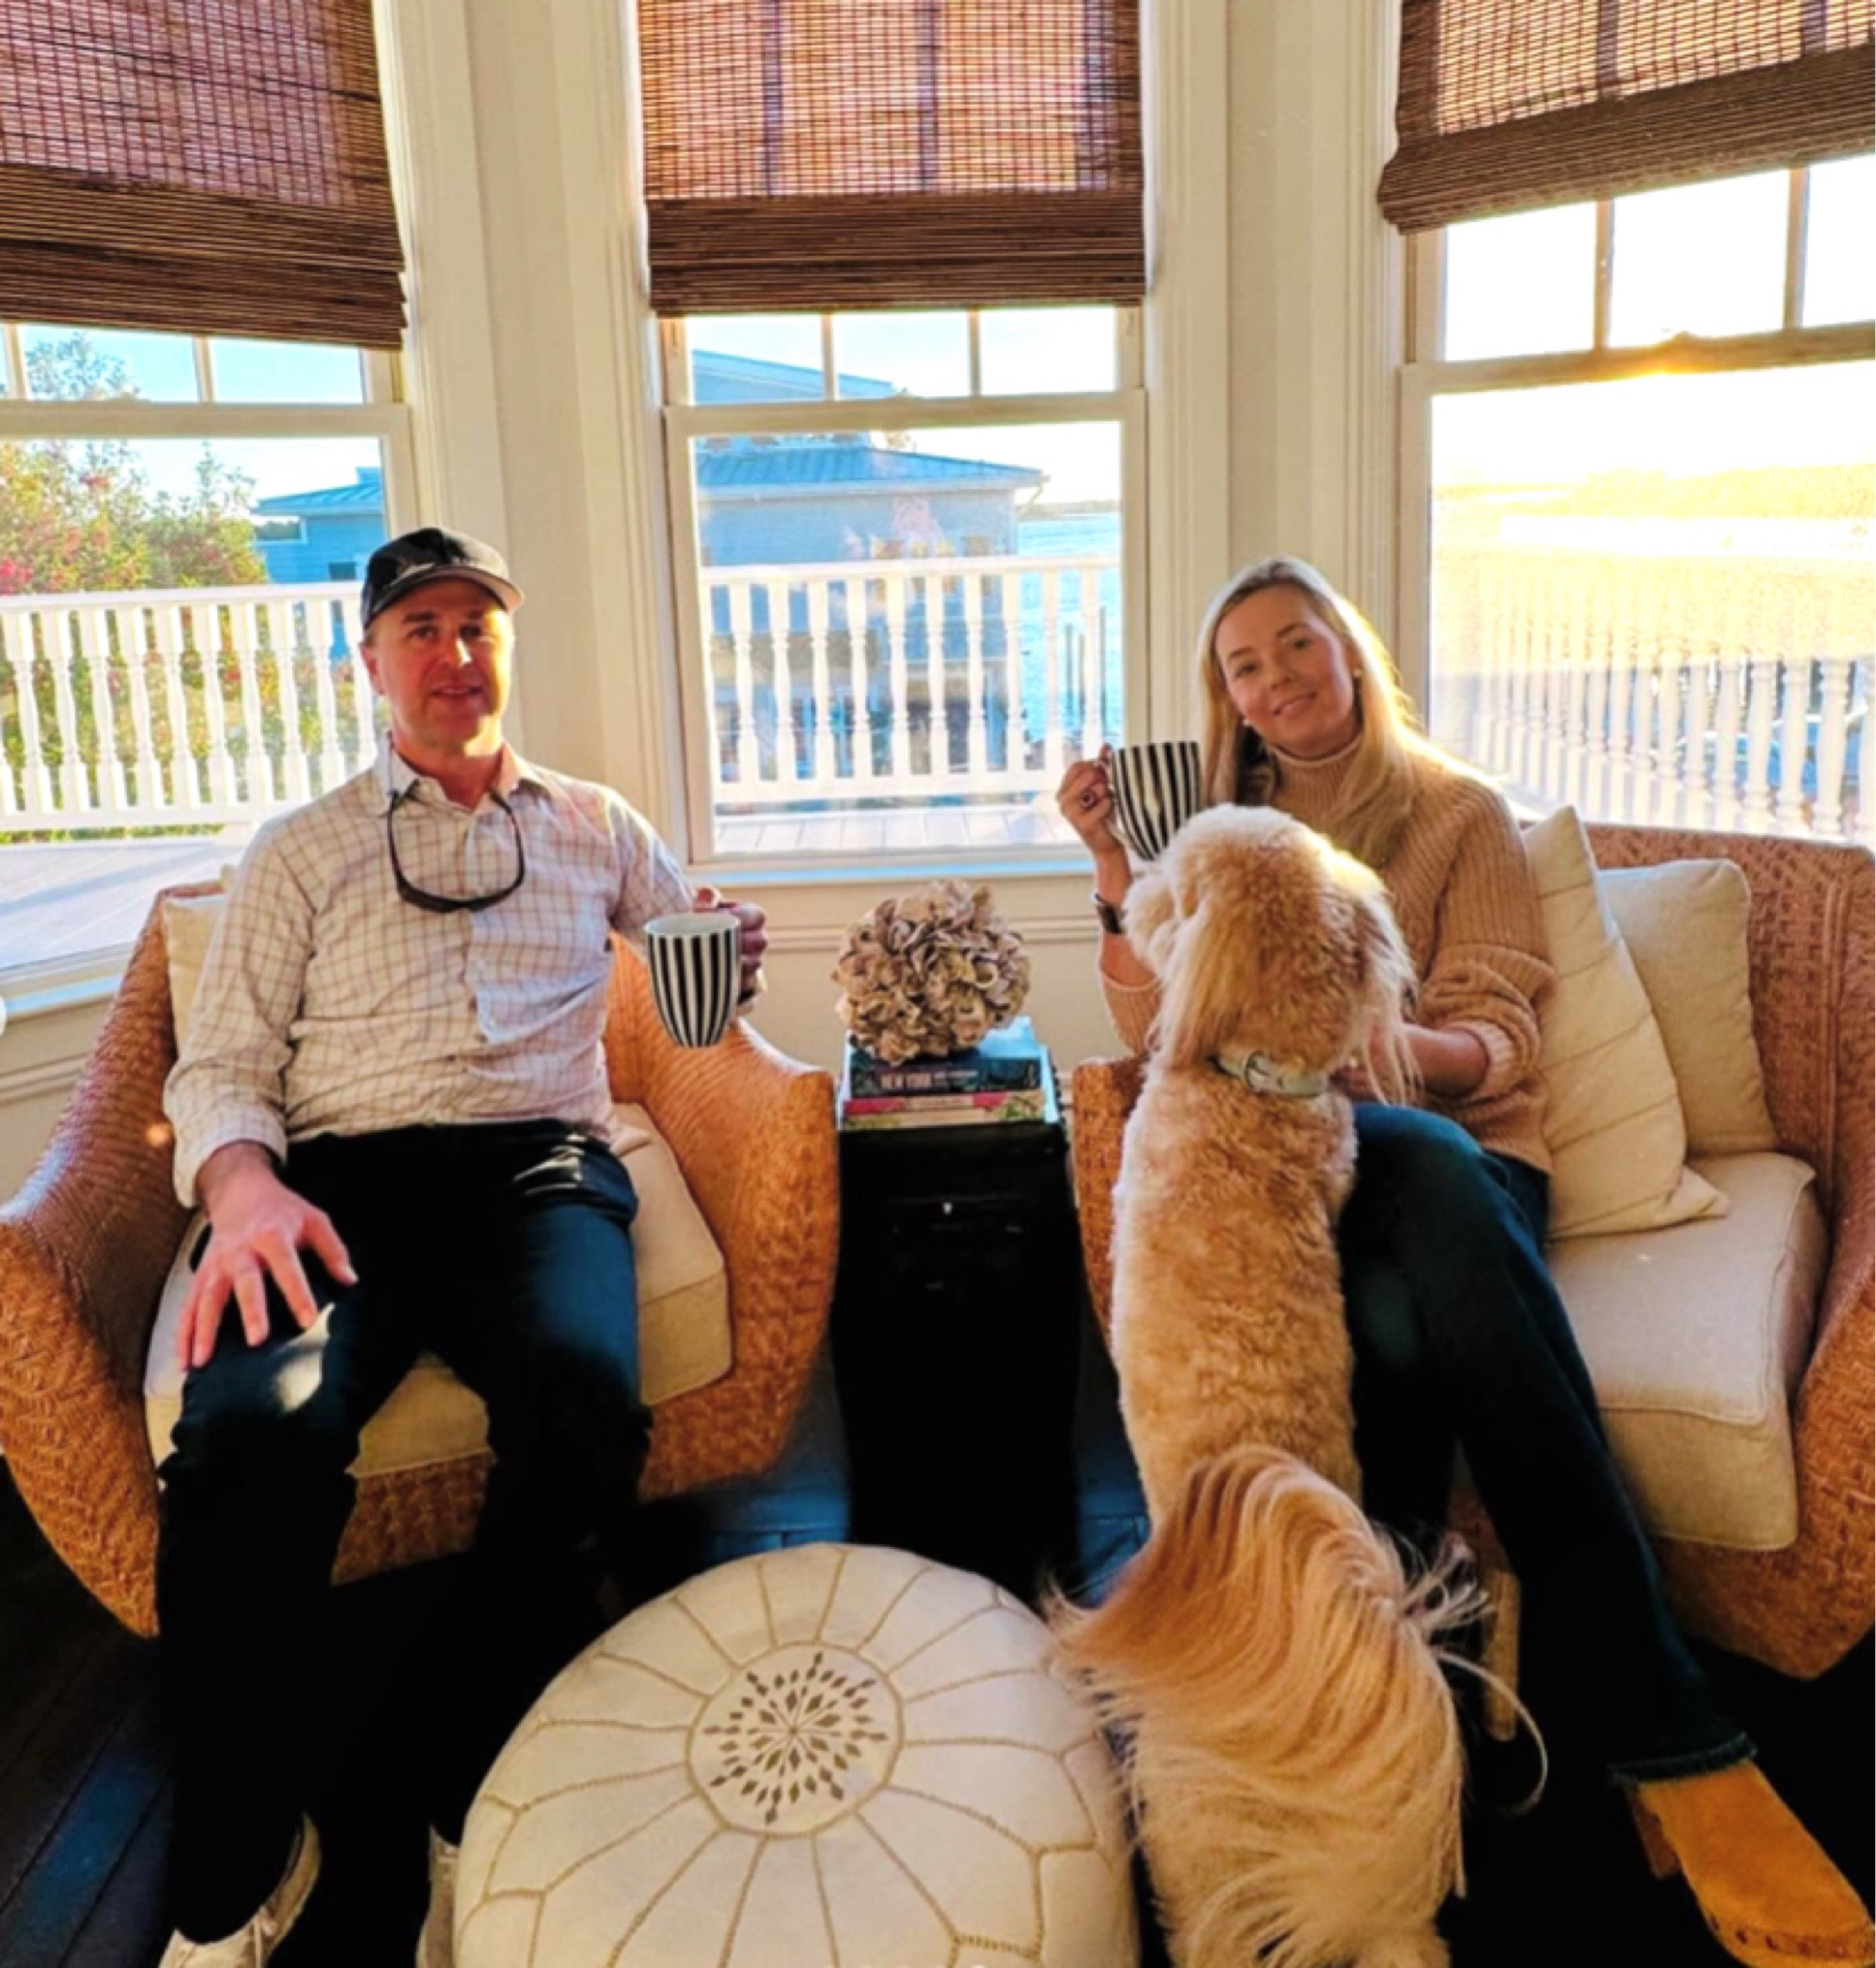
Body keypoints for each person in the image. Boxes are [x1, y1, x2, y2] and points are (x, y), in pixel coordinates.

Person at [1056, 554, 1873, 1968]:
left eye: (1296, 645)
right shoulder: (1222, 830)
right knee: (1340, 1304)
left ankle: (1655, 1726)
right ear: (1228, 700)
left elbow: (1501, 1037)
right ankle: (1375, 1719)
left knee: (1410, 1235)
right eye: (1245, 666)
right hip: (1302, 1179)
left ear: (1348, 653)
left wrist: (1377, 1042)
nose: (1277, 680)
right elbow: (1159, 1042)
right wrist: (1118, 875)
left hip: (1455, 1162)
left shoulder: (1455, 815)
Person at [155, 528, 768, 1968]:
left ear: (509, 648)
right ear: (371, 662)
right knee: (249, 1438)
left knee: (578, 1405)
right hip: (332, 1183)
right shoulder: (299, 851)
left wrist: (723, 946)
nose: (453, 653)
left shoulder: (595, 824)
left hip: (538, 1172)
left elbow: (692, 961)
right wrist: (243, 1194)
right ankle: (244, 1849)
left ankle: (467, 1762)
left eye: (477, 625)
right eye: (419, 628)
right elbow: (218, 1067)